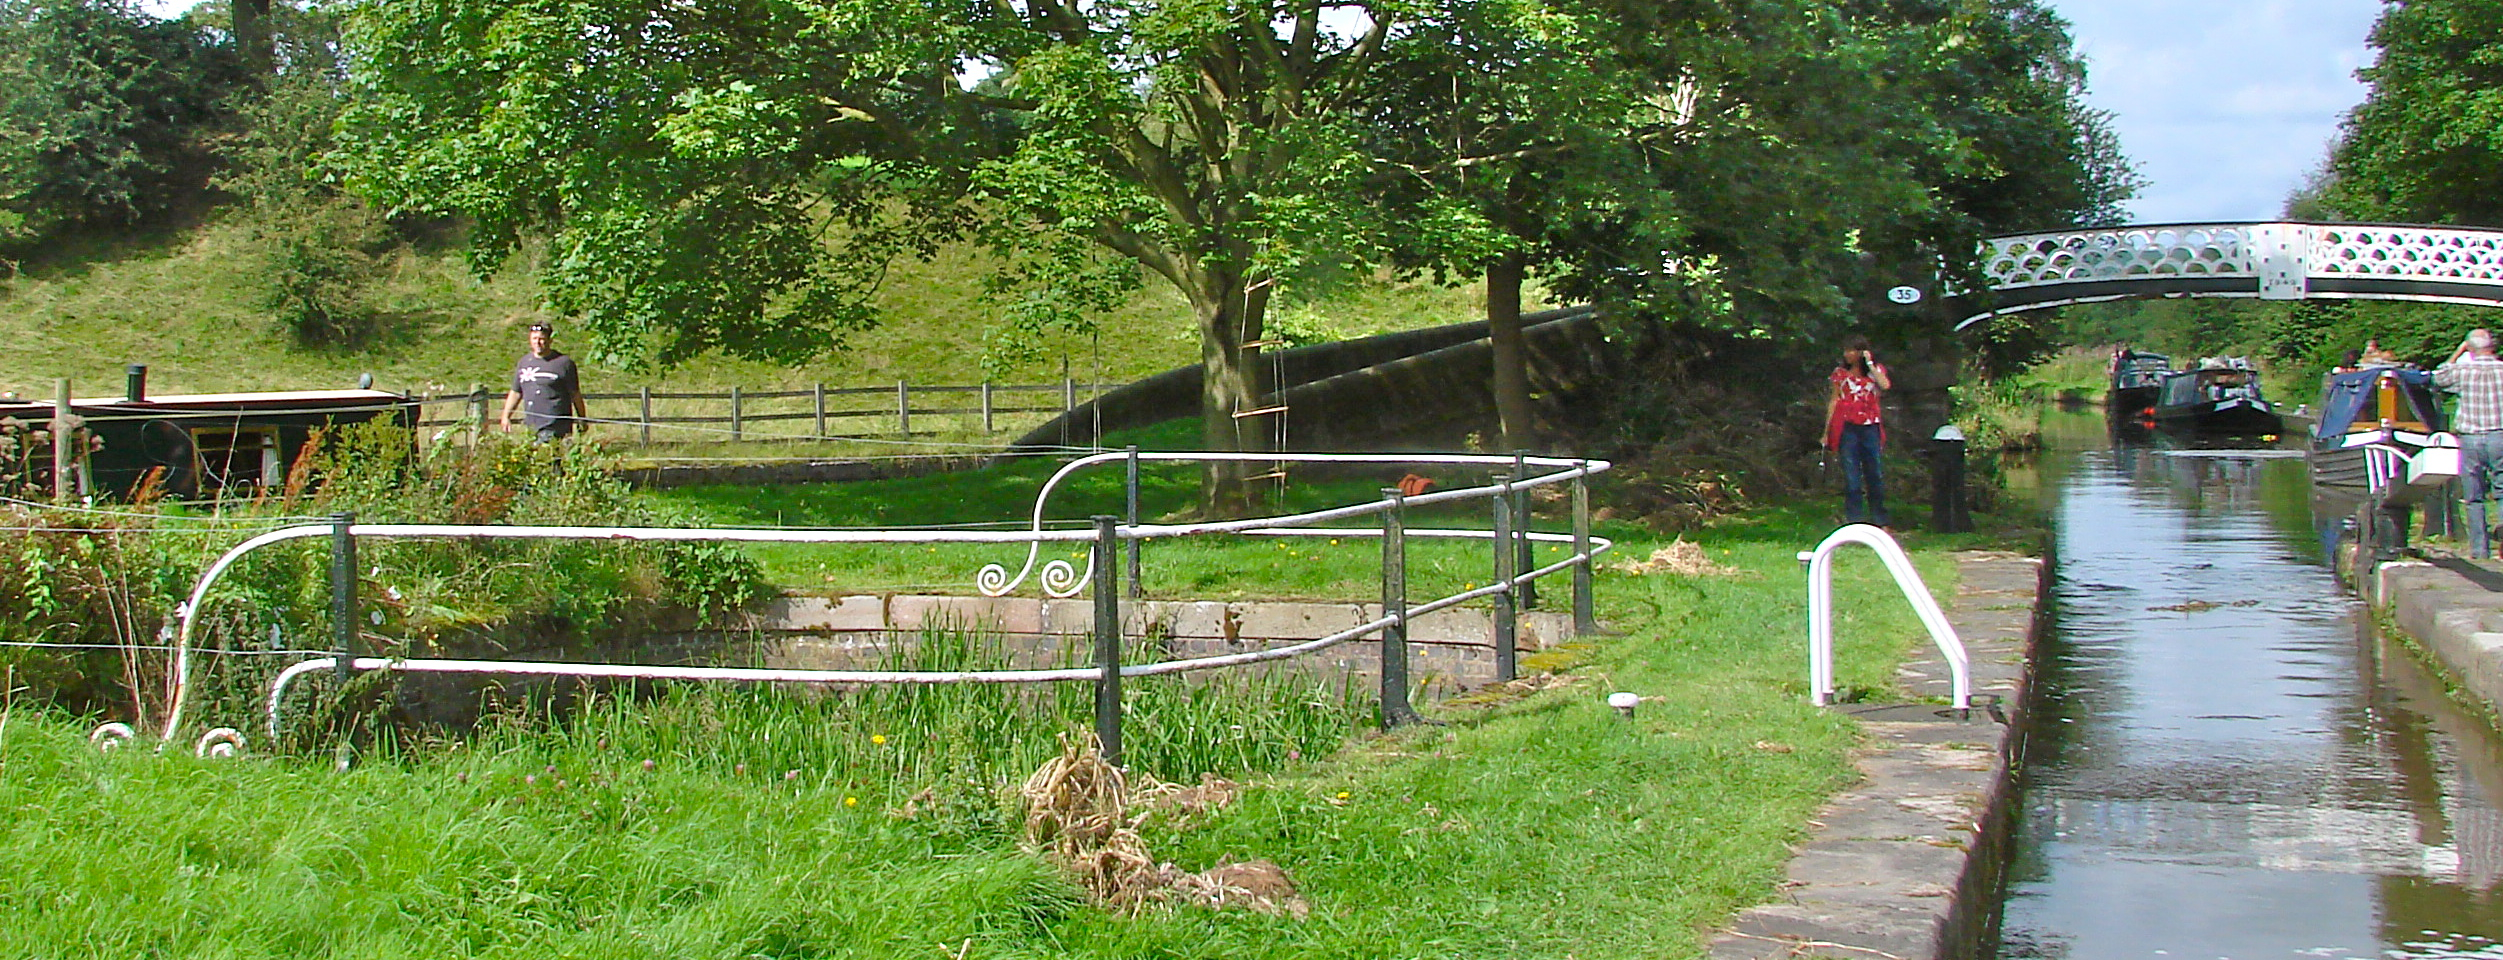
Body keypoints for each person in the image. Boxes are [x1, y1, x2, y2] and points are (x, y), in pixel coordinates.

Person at [2437, 328, 2503, 559]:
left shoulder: (2463, 370)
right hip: (2499, 436)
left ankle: (2480, 549)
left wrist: (2458, 352)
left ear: (2471, 349)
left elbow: (2439, 377)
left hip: (2471, 438)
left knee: (2474, 496)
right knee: (2502, 492)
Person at [1824, 336, 1891, 528]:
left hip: (1870, 426)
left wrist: (1869, 363)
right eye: (1845, 351)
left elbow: (1885, 385)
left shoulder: (1875, 371)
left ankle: (1880, 518)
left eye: (1852, 350)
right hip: (1848, 427)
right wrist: (1826, 430)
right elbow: (1834, 400)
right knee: (1852, 475)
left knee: (1874, 474)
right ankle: (1854, 520)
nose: (1847, 354)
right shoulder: (1840, 374)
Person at [501, 321, 586, 441]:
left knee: (550, 458)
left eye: (541, 339)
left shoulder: (563, 363)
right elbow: (516, 392)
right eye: (534, 338)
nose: (538, 342)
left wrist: (582, 418)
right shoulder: (524, 362)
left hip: (556, 425)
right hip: (532, 425)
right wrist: (506, 416)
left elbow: (575, 394)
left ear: (550, 340)